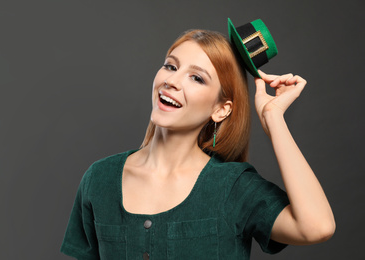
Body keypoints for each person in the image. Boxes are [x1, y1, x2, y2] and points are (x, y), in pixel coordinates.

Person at [61, 19, 335, 259]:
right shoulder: (99, 178)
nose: (172, 81)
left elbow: (317, 227)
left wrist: (274, 119)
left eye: (196, 78)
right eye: (170, 66)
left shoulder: (234, 187)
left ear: (221, 109)